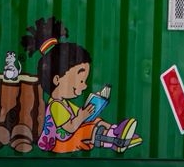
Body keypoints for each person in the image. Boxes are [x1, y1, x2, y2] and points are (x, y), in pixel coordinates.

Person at [21, 18, 140, 153]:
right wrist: (82, 116)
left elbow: (78, 115)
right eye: (80, 81)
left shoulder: (64, 103)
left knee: (95, 122)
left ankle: (116, 132)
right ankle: (115, 141)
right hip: (58, 143)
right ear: (57, 80)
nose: (84, 86)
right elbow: (69, 128)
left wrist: (93, 107)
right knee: (87, 131)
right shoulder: (55, 106)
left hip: (68, 138)